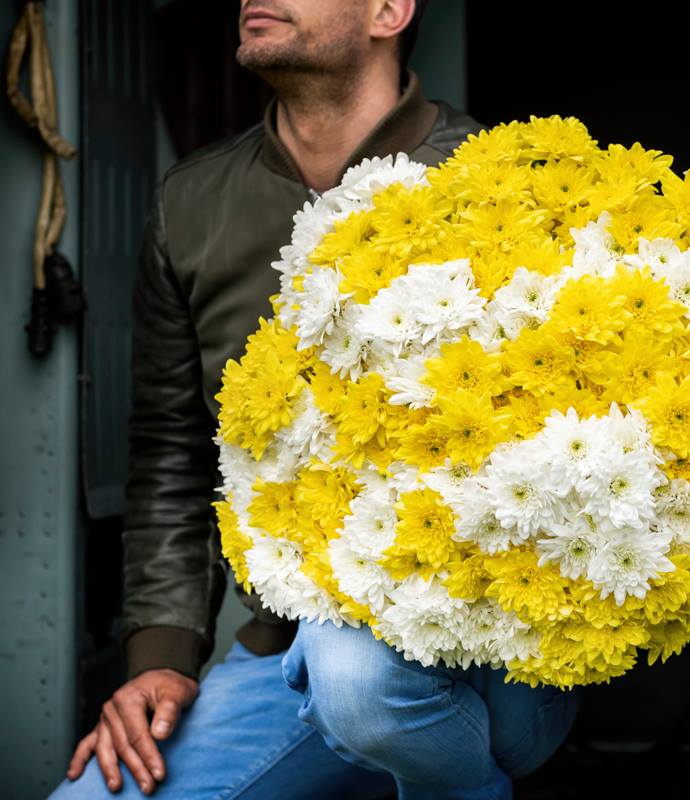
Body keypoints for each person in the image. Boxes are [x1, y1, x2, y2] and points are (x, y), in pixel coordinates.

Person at [51, 1, 579, 797]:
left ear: (388, 10)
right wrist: (159, 659)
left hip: (497, 644)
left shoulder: (509, 180)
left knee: (361, 685)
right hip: (287, 652)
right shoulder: (191, 203)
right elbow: (174, 452)